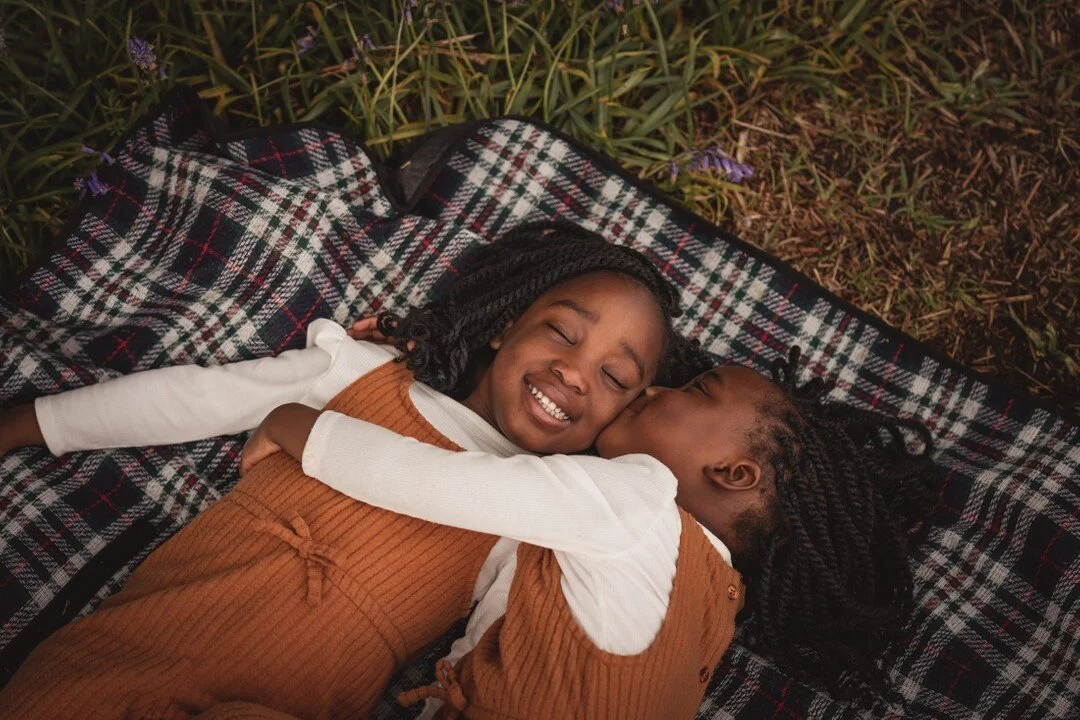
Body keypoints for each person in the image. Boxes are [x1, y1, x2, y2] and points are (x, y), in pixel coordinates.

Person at [0, 222, 705, 719]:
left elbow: (482, 662)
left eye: (614, 376)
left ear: (624, 415)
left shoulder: (537, 531)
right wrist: (30, 423)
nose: (574, 372)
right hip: (130, 654)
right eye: (562, 331)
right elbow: (198, 397)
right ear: (503, 325)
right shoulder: (362, 374)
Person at [240, 342, 942, 718]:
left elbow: (428, 480)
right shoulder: (711, 614)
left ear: (733, 473)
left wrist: (296, 424)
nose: (652, 389)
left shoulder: (638, 501)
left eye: (693, 392)